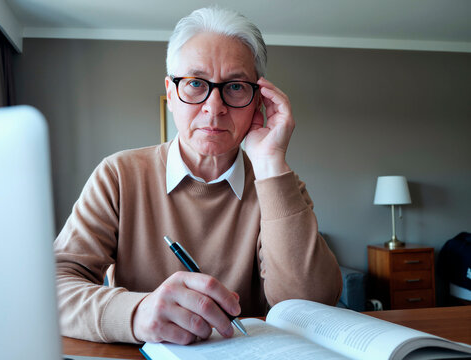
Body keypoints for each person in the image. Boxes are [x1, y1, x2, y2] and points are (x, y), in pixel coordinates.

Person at [53, 7, 342, 345]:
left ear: (258, 101)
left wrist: (270, 164)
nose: (214, 107)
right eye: (194, 83)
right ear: (171, 94)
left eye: (235, 86)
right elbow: (52, 286)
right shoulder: (118, 175)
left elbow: (312, 308)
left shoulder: (277, 185)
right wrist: (137, 313)